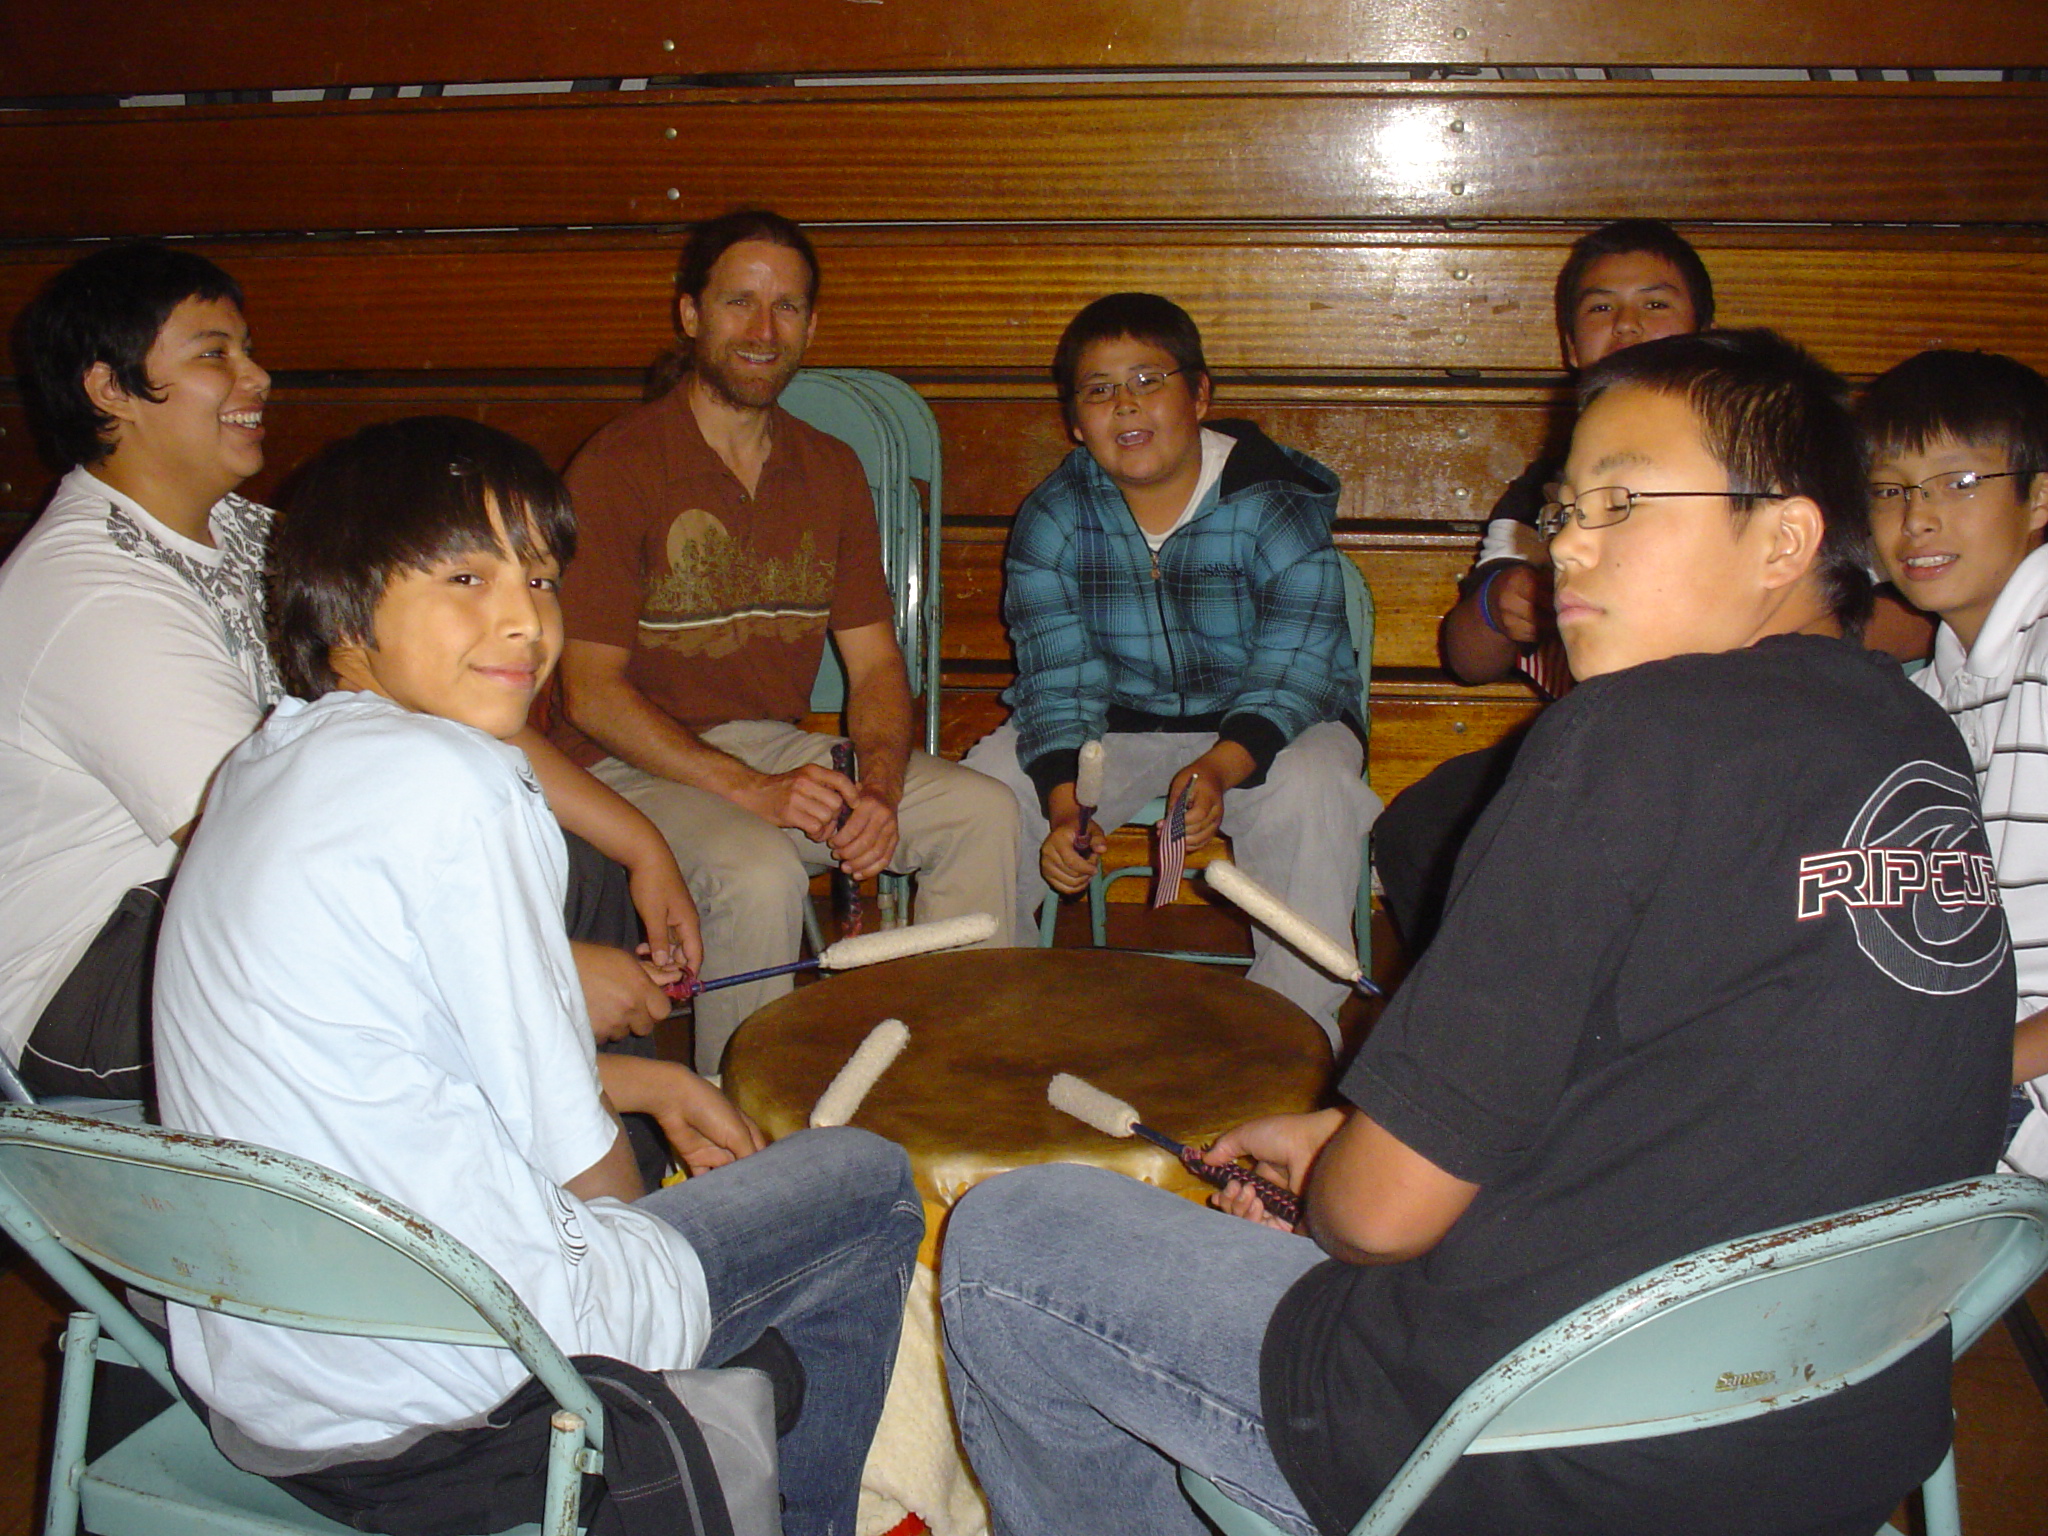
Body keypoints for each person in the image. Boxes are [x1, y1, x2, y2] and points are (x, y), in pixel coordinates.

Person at [939, 330, 2014, 1536]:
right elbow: (1690, 1076)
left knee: (1014, 1239)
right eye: (1563, 507)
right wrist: (1350, 1134)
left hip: (1540, 1443)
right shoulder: (1912, 741)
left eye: (1621, 501)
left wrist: (1344, 1186)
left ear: (1783, 537)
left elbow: (1376, 1220)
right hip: (1836, 1427)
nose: (1566, 541)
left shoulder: (1621, 738)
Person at [153, 416, 923, 1536]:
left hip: (277, 1387)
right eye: (467, 575)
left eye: (542, 579)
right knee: (859, 1182)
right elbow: (588, 1183)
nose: (525, 620)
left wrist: (650, 1083)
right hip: (467, 1393)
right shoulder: (457, 787)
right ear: (346, 596)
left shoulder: (267, 763)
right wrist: (667, 1209)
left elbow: (404, 1060)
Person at [0, 241, 706, 1102]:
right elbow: (269, 858)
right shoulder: (90, 589)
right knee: (496, 929)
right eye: (215, 353)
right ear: (109, 388)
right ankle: (567, 1176)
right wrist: (539, 975)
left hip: (234, 895)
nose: (257, 376)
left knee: (573, 864)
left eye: (248, 348)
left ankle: (586, 1184)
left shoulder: (258, 534)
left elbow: (453, 707)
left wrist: (642, 847)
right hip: (96, 978)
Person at [549, 208, 1018, 1074]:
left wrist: (876, 790)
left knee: (983, 814)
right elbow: (591, 693)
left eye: (788, 308)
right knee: (758, 869)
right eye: (739, 304)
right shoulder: (619, 464)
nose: (764, 332)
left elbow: (876, 665)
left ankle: (958, 1083)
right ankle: (739, 1132)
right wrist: (753, 790)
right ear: (691, 315)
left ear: (812, 324)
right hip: (622, 763)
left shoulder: (830, 467)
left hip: (766, 744)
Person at [963, 292, 1378, 1044]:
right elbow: (1057, 680)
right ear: (1074, 421)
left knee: (1315, 793)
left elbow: (1299, 667)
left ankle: (1287, 1039)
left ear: (1200, 393)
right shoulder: (1055, 517)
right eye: (1098, 389)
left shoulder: (1272, 500)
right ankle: (995, 1021)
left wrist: (1222, 764)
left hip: (1275, 725)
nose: (1125, 403)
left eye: (1149, 379)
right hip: (1115, 728)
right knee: (992, 785)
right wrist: (1063, 807)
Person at [1372, 219, 1713, 954]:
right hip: (1594, 749)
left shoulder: (1757, 453)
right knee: (1424, 828)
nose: (1627, 324)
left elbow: (1891, 621)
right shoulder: (1542, 493)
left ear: (1703, 330)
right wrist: (1504, 604)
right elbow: (1467, 656)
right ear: (1570, 348)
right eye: (1600, 308)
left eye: (1656, 304)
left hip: (1729, 742)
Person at [1859, 348, 2048, 1178]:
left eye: (1958, 483)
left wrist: (1966, 1073)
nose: (1919, 519)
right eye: (1892, 489)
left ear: (2040, 494)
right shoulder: (1928, 694)